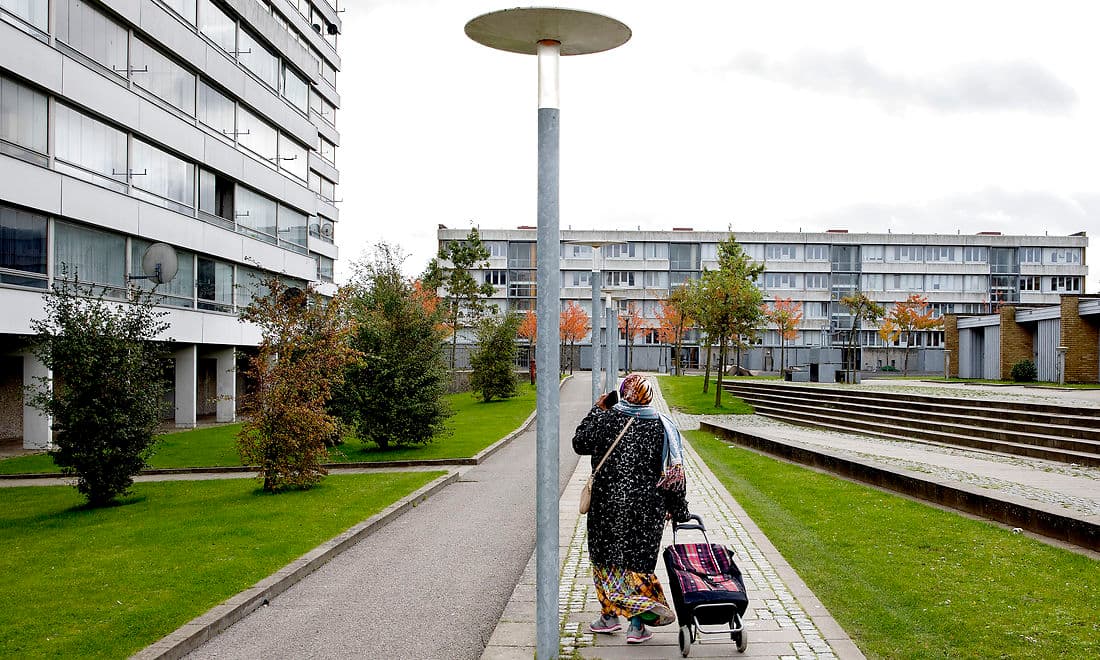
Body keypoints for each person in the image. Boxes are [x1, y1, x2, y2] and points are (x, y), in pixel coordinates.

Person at [572, 373, 690, 644]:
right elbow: (673, 475)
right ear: (649, 395)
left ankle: (609, 616)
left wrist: (598, 409)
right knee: (638, 564)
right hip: (647, 510)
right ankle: (636, 626)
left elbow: (579, 442)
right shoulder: (663, 426)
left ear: (624, 393)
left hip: (606, 506)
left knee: (605, 560)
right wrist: (678, 510)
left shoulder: (607, 418)